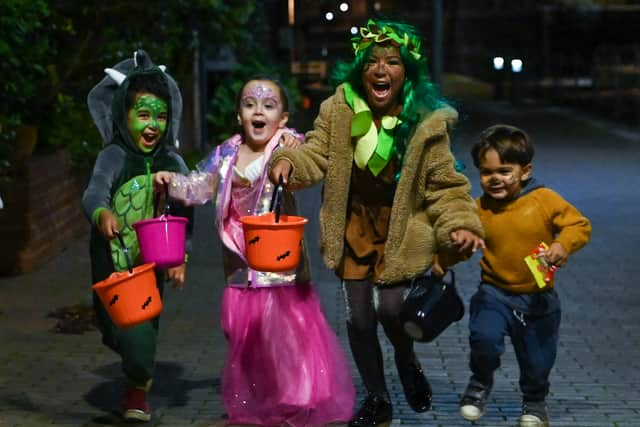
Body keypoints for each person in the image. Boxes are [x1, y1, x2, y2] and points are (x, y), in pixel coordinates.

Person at [270, 18, 485, 426]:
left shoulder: (424, 120)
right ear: (360, 68)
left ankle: (406, 360)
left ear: (408, 71)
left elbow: (445, 183)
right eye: (372, 62)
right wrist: (287, 161)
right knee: (359, 317)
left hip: (402, 227)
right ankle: (377, 398)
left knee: (391, 310)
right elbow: (315, 153)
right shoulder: (339, 109)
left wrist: (462, 223)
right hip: (355, 224)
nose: (381, 70)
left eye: (392, 62)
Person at [155, 76, 355, 427]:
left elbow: (307, 164)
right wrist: (171, 182)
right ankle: (260, 396)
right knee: (243, 335)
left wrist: (294, 151)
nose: (258, 111)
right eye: (250, 104)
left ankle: (296, 397)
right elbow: (200, 186)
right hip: (240, 263)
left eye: (268, 105)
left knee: (288, 335)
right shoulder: (227, 153)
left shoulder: (286, 146)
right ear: (239, 116)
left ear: (283, 117)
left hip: (279, 265)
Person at [82, 50, 193, 422]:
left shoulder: (171, 161)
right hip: (110, 264)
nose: (153, 125)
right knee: (114, 331)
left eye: (160, 116)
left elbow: (185, 211)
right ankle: (134, 363)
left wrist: (179, 257)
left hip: (149, 268)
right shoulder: (113, 156)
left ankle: (137, 391)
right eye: (143, 115)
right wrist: (102, 213)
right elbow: (94, 192)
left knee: (141, 333)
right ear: (122, 115)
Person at [459, 124, 591, 427]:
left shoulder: (544, 200)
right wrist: (450, 251)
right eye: (486, 172)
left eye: (505, 170)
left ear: (525, 170)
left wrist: (562, 244)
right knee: (484, 337)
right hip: (494, 292)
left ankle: (534, 403)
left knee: (537, 359)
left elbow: (579, 225)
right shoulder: (477, 209)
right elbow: (461, 246)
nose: (495, 179)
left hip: (538, 299)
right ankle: (480, 383)